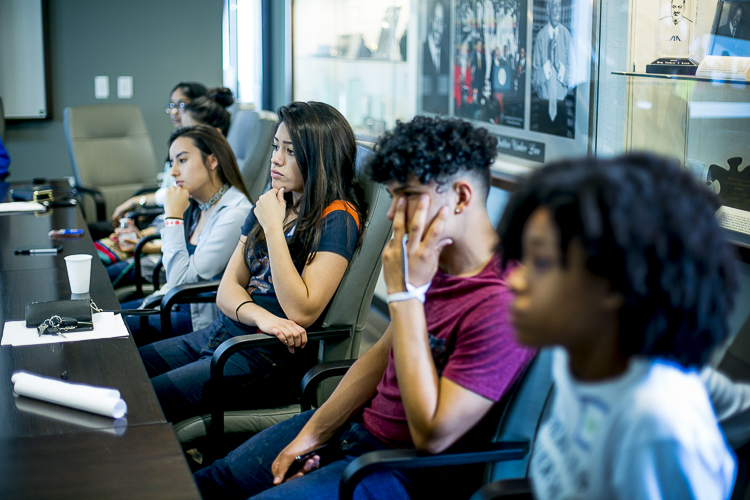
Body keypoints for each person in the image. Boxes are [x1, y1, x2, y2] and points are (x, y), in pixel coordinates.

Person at [193, 115, 535, 499]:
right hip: (357, 434)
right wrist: (314, 433)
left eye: (407, 196)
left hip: (402, 470)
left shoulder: (503, 303)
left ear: (460, 197)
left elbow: (433, 437)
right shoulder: (438, 267)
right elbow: (378, 358)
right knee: (214, 481)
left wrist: (404, 296)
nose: (392, 213)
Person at [497, 153, 738, 499]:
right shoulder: (576, 359)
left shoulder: (655, 426)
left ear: (612, 282)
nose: (515, 282)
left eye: (542, 262)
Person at [138, 101, 365, 423]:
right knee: (131, 370)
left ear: (319, 159)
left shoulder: (337, 217)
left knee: (146, 402)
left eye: (290, 151)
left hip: (264, 356)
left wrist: (273, 227)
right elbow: (227, 290)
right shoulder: (274, 202)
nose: (276, 159)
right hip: (229, 333)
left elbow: (301, 310)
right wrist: (261, 317)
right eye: (275, 147)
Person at [122, 125, 252, 343]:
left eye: (182, 161)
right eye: (172, 162)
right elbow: (164, 195)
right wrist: (136, 202)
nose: (173, 172)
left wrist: (173, 217)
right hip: (170, 302)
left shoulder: (235, 214)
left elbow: (180, 282)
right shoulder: (199, 200)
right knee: (105, 318)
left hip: (194, 318)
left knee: (113, 329)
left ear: (212, 161)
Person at [109, 82, 209, 222]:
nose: (174, 112)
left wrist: (139, 202)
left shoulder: (203, 148)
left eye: (181, 105)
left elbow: (178, 194)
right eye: (172, 105)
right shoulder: (178, 142)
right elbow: (169, 191)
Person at [531, 0, 572, 137]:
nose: (558, 10)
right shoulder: (540, 37)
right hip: (544, 107)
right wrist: (548, 65)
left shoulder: (566, 35)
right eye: (554, 6)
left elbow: (572, 76)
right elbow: (534, 80)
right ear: (548, 9)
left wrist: (559, 67)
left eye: (559, 6)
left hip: (561, 107)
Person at [422, 0, 449, 115]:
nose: (438, 28)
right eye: (436, 21)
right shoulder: (421, 53)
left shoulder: (446, 57)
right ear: (430, 20)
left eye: (441, 22)